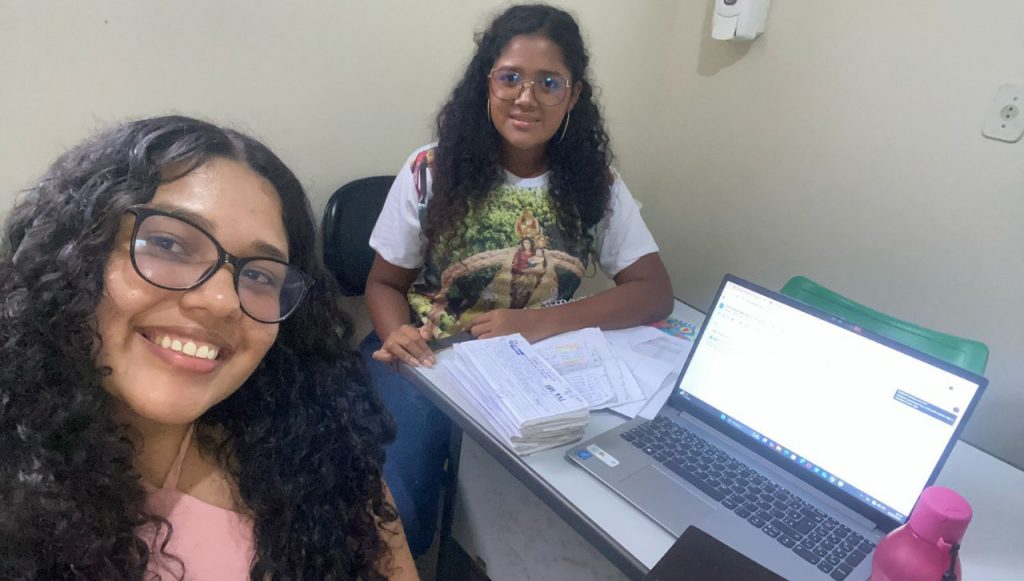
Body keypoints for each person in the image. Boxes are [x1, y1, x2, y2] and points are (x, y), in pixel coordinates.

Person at [0, 116, 418, 580]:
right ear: (74, 254)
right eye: (168, 244)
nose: (222, 301)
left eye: (260, 274)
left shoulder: (325, 467)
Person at [361, 4, 674, 557]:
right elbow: (384, 284)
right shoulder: (430, 170)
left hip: (537, 365)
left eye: (548, 82)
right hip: (430, 359)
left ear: (572, 96)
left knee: (576, 504)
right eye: (510, 78)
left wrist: (537, 323)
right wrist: (394, 335)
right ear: (487, 84)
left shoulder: (594, 184)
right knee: (401, 510)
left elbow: (653, 291)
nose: (526, 97)